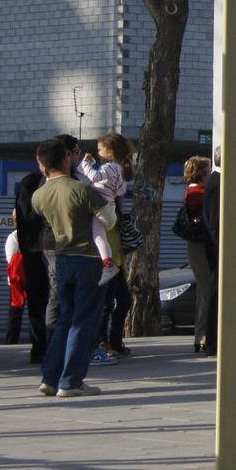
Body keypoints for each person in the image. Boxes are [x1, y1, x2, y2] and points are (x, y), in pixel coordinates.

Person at [32, 136, 108, 397]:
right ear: (66, 159)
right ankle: (72, 381)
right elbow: (108, 219)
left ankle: (50, 377)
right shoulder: (80, 189)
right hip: (87, 258)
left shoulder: (39, 195)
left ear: (41, 163)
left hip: (60, 257)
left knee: (65, 319)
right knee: (84, 321)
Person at [78, 132, 139, 360]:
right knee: (119, 298)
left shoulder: (103, 172)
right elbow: (122, 191)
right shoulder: (120, 172)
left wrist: (85, 163)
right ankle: (109, 340)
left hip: (111, 246)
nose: (97, 152)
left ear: (109, 152)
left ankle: (104, 342)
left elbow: (90, 175)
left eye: (100, 149)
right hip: (115, 247)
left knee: (112, 298)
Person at [12, 169, 52, 364]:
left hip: (54, 249)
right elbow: (26, 215)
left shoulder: (72, 179)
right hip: (36, 249)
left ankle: (52, 345)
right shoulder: (32, 182)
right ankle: (40, 348)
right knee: (39, 300)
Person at [177, 156, 214, 353]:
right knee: (207, 290)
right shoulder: (199, 193)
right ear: (201, 172)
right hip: (200, 245)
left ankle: (201, 334)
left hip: (197, 245)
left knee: (203, 291)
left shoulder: (193, 191)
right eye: (208, 169)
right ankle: (203, 335)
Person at [199, 147, 222, 356]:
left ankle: (214, 340)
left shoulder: (215, 181)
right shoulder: (218, 183)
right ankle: (213, 341)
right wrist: (221, 247)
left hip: (216, 245)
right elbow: (215, 221)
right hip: (218, 247)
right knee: (217, 293)